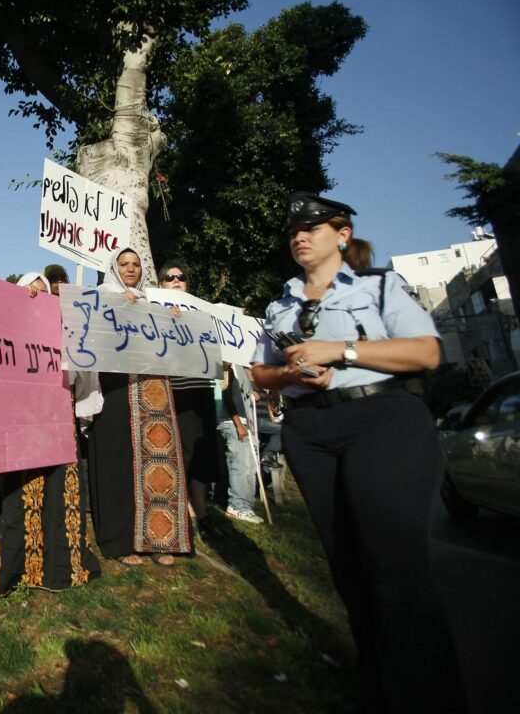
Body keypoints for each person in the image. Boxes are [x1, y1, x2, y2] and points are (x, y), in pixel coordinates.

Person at [250, 191, 464, 713]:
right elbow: (260, 373)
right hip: (310, 429)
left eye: (314, 227)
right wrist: (292, 372)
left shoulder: (380, 284)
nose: (300, 236)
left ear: (342, 235)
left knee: (394, 567)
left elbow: (426, 351)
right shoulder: (280, 304)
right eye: (294, 231)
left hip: (382, 419)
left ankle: (430, 696)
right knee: (347, 567)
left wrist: (341, 351)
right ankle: (380, 686)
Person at [0, 273, 101, 592]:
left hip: (58, 429)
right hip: (21, 430)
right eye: (28, 292)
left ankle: (60, 567)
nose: (34, 297)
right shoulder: (4, 334)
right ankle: (19, 565)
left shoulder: (64, 333)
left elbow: (79, 377)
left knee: (58, 498)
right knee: (21, 499)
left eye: (42, 293)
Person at [84, 247, 192, 566]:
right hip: (115, 390)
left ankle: (160, 540)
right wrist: (117, 309)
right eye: (124, 264)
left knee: (156, 462)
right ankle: (120, 542)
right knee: (117, 464)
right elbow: (88, 338)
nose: (130, 269)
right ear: (113, 268)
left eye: (136, 264)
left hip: (151, 390)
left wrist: (173, 320)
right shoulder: (99, 297)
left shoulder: (154, 302)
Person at [156, 260, 224, 541]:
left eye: (181, 278)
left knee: (201, 457)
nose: (175, 281)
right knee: (179, 457)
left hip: (203, 394)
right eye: (169, 277)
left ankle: (202, 514)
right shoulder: (154, 315)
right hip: (174, 396)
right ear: (160, 285)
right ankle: (185, 514)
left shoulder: (203, 314)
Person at [216, 363, 263, 524]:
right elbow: (226, 395)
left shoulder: (242, 370)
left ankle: (246, 506)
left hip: (247, 421)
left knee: (249, 466)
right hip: (233, 422)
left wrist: (252, 394)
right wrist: (238, 424)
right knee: (240, 465)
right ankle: (237, 506)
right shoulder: (228, 368)